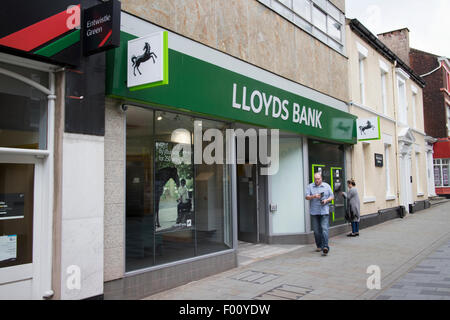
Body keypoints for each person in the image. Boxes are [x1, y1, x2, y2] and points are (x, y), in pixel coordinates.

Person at [305, 172, 334, 256]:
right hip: (314, 212)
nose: (317, 180)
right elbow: (306, 197)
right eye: (315, 179)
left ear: (321, 178)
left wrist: (326, 200)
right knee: (316, 231)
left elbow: (332, 196)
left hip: (324, 211)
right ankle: (319, 245)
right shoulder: (310, 186)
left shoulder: (327, 186)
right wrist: (314, 196)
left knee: (324, 229)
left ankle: (325, 247)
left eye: (318, 179)